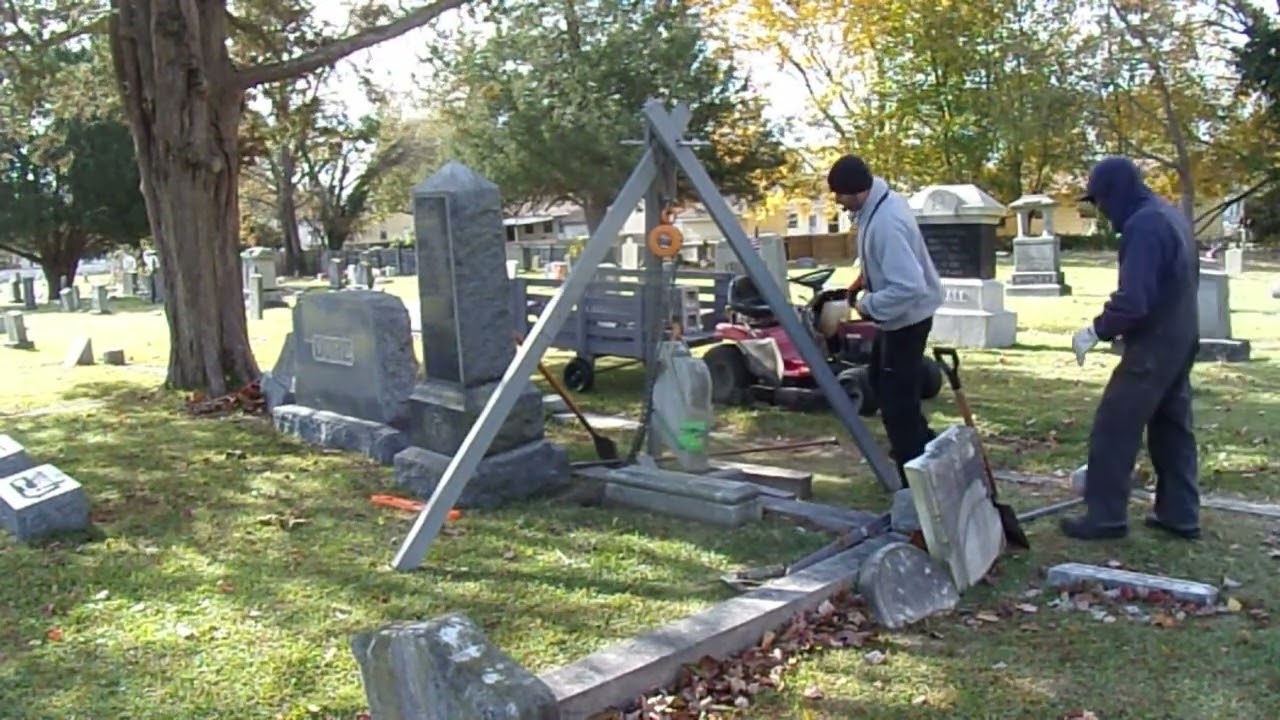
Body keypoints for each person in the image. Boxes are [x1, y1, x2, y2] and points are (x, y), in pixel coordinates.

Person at [1064, 156, 1201, 541]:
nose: (1102, 210)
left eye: (1100, 200)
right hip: (1182, 335)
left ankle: (1105, 517)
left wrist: (1096, 330)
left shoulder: (1143, 225)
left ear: (1114, 193)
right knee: (1172, 428)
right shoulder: (1169, 215)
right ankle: (1180, 514)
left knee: (1114, 427)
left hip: (1153, 343)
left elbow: (1133, 301)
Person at [827, 155, 944, 483]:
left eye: (840, 194)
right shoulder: (876, 206)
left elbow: (909, 286)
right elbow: (883, 260)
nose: (838, 201)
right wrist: (862, 281)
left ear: (857, 191)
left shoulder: (886, 222)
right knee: (879, 381)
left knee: (897, 405)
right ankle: (927, 450)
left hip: (907, 320)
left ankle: (916, 479)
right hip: (897, 319)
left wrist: (867, 305)